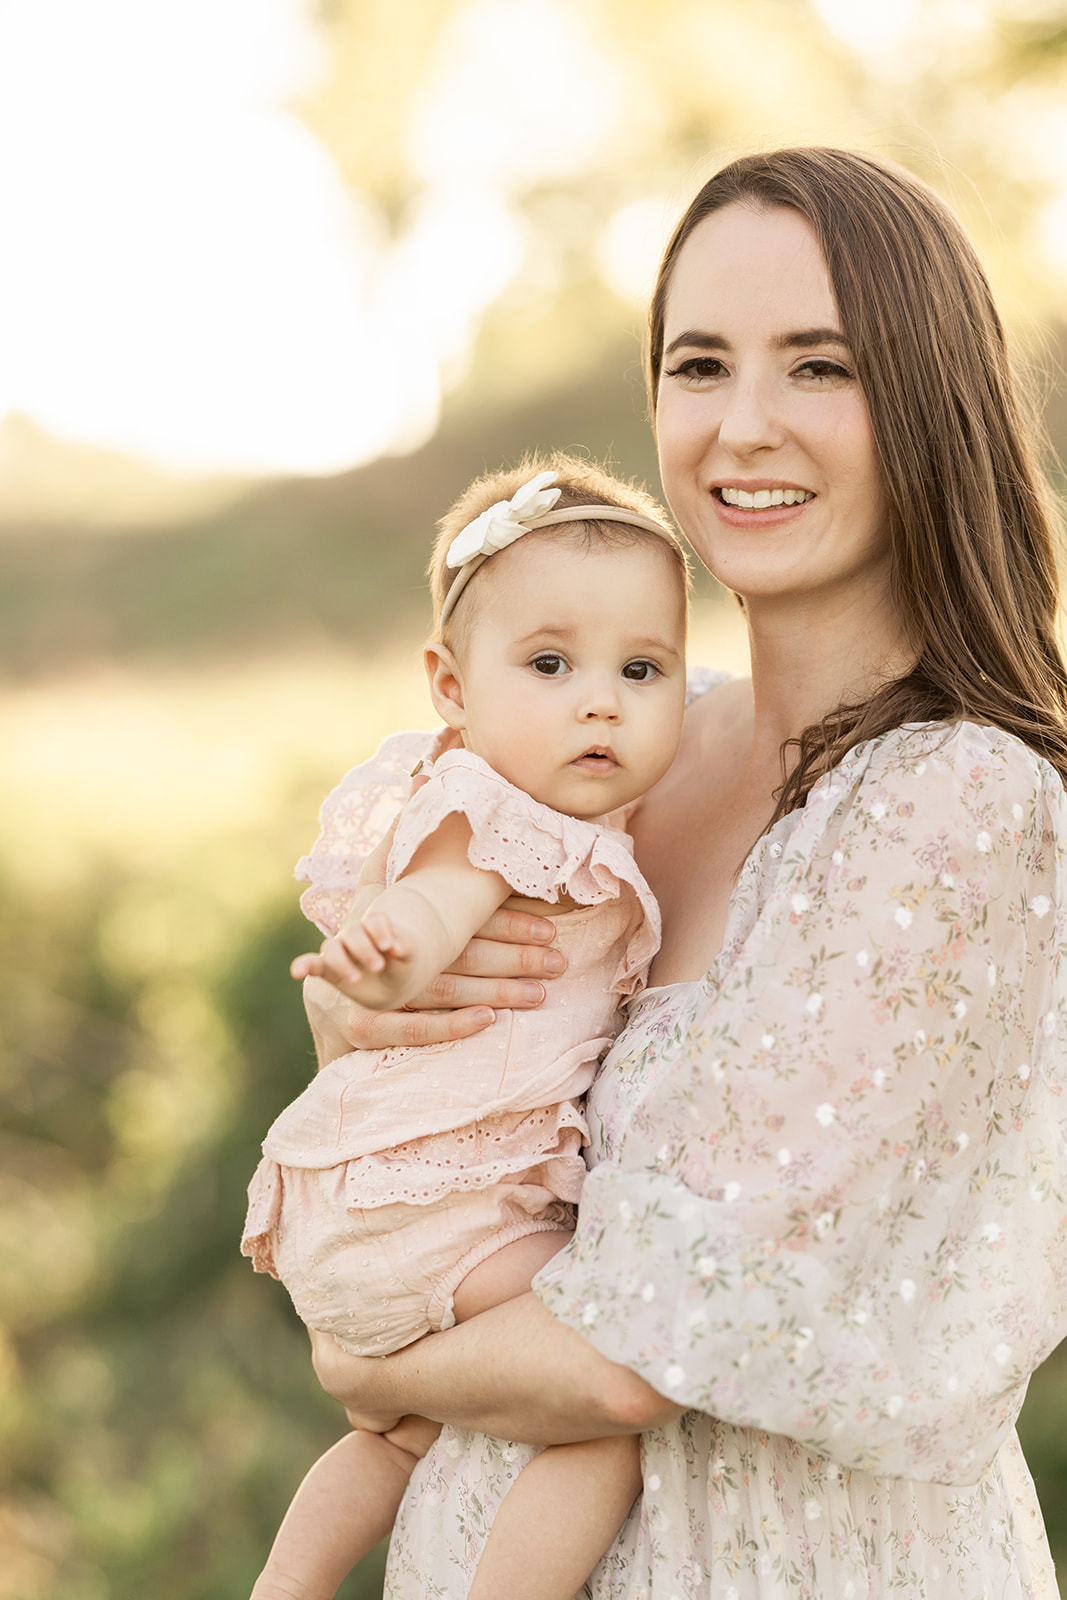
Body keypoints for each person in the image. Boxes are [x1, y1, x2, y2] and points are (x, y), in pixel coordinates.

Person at [300, 148, 1067, 1597]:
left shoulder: (955, 805)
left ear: (925, 397)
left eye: (818, 367)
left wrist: (364, 1345)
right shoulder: (612, 760)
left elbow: (633, 1348)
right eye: (698, 365)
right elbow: (435, 1117)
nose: (741, 428)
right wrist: (363, 1024)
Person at [242, 455, 693, 1600]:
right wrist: (384, 957)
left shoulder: (583, 807)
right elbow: (438, 903)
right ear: (449, 684)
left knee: (394, 1436)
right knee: (598, 1408)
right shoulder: (490, 808)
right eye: (549, 664)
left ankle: (283, 1586)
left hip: (390, 1207)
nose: (601, 700)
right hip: (436, 1204)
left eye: (641, 669)